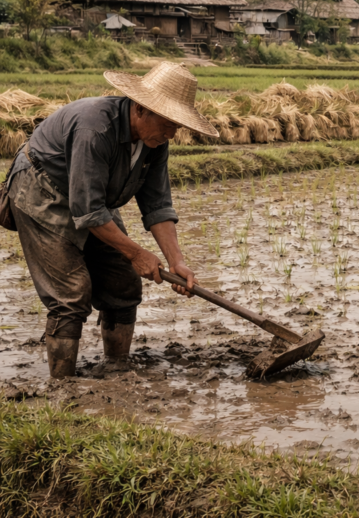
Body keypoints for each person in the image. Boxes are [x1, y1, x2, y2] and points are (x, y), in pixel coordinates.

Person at [3, 62, 216, 378]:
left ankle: (116, 367)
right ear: (142, 109)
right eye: (169, 123)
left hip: (92, 200)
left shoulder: (155, 142)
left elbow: (157, 205)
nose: (173, 132)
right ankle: (63, 384)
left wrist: (177, 261)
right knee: (71, 293)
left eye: (178, 126)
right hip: (43, 189)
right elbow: (88, 210)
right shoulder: (95, 128)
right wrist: (136, 253)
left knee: (123, 282)